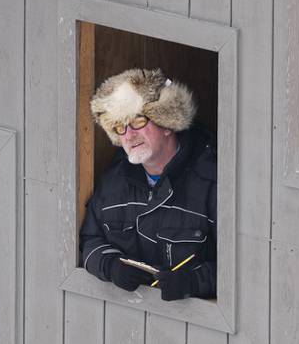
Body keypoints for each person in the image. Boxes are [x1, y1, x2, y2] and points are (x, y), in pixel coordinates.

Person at [81, 68, 218, 301]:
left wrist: (193, 282)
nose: (129, 135)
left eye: (137, 121)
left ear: (167, 123)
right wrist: (111, 266)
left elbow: (244, 267)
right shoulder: (113, 183)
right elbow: (90, 242)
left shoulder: (212, 181)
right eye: (120, 127)